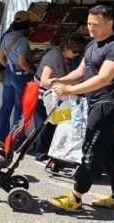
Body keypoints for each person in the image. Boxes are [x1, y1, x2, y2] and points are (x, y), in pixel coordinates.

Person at [49, 5, 114, 212]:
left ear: (109, 23)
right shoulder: (92, 44)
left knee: (90, 151)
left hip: (108, 106)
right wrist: (58, 81)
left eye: (95, 24)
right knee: (108, 151)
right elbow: (80, 72)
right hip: (93, 103)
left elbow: (103, 78)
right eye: (88, 24)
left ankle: (75, 197)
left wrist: (70, 89)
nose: (90, 28)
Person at [35, 34, 86, 162]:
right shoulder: (53, 56)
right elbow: (45, 81)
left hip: (55, 98)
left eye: (79, 52)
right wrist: (61, 85)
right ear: (66, 47)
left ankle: (50, 154)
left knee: (56, 125)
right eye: (75, 51)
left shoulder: (62, 57)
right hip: (44, 98)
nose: (76, 54)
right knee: (46, 126)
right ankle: (41, 155)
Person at [0, 11, 36, 142]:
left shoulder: (7, 37)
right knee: (19, 107)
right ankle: (15, 138)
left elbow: (0, 58)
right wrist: (33, 72)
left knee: (5, 106)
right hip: (20, 77)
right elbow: (23, 63)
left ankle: (1, 137)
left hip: (8, 74)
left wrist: (10, 67)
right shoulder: (23, 40)